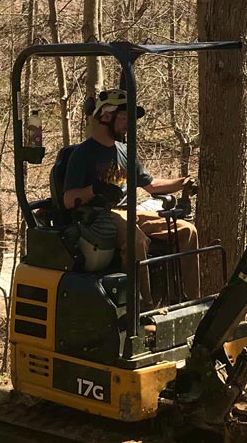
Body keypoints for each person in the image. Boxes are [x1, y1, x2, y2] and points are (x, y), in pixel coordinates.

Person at [62, 89, 200, 306]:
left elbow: (152, 185)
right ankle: (145, 308)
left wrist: (183, 182)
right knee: (136, 240)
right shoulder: (83, 154)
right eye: (125, 118)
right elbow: (68, 200)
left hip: (132, 211)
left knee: (186, 231)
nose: (129, 125)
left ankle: (192, 301)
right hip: (102, 216)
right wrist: (95, 189)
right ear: (106, 116)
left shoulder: (126, 151)